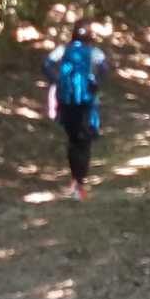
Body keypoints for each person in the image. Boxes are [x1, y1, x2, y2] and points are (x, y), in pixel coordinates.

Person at [43, 21, 108, 199]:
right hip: (86, 102)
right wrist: (96, 84)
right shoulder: (94, 52)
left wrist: (56, 81)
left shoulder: (63, 50)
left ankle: (74, 179)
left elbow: (46, 64)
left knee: (72, 140)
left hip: (67, 100)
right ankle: (80, 182)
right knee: (85, 141)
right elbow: (104, 68)